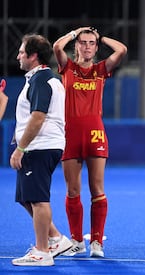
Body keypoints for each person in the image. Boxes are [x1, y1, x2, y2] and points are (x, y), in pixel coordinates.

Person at [53, 26, 127, 257]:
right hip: (70, 133)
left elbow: (122, 49)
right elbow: (56, 46)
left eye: (91, 43)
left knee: (97, 188)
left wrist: (101, 37)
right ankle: (77, 240)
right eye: (83, 42)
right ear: (76, 45)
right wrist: (76, 32)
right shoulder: (67, 67)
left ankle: (97, 242)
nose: (87, 47)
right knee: (73, 190)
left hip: (95, 133)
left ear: (96, 47)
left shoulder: (100, 69)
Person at [10, 34, 73, 266]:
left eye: (21, 52)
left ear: (33, 56)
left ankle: (43, 251)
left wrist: (21, 148)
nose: (18, 56)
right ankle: (55, 239)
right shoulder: (45, 79)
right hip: (43, 145)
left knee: (37, 199)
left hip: (39, 147)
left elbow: (38, 117)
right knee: (26, 197)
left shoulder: (41, 79)